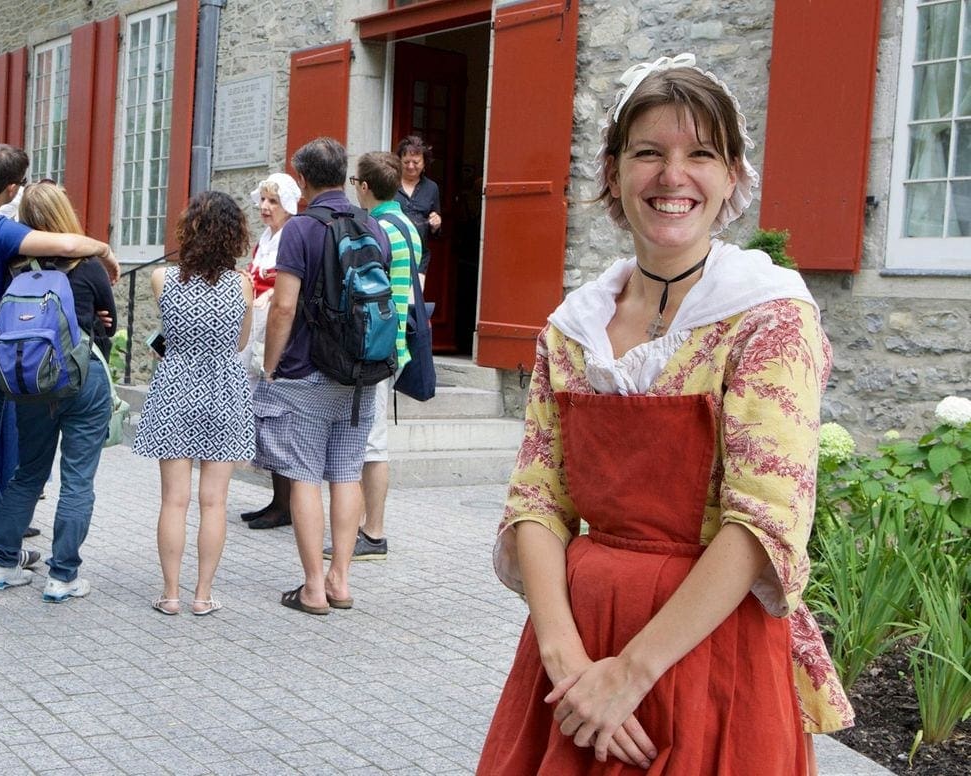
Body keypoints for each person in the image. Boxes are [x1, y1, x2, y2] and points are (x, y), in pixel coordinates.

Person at [477, 54, 852, 775]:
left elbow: (764, 522)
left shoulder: (767, 319)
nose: (672, 176)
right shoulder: (573, 327)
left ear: (732, 177)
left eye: (700, 155)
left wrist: (630, 674)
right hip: (576, 650)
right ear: (613, 174)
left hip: (704, 647)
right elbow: (536, 498)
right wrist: (567, 663)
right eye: (648, 152)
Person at [0, 143, 119, 589]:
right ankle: (63, 576)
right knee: (75, 478)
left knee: (24, 473)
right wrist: (104, 256)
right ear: (10, 187)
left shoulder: (14, 264)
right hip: (77, 378)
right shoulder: (80, 261)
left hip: (28, 378)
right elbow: (107, 325)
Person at [254, 136, 391, 615]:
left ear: (305, 180)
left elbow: (283, 306)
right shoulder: (371, 224)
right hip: (359, 373)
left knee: (306, 476)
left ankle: (312, 587)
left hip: (306, 371)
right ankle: (341, 580)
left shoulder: (301, 230)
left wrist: (269, 368)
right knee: (347, 473)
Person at [132, 191, 254, 616]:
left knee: (174, 501)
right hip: (223, 389)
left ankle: (170, 594)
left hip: (174, 388)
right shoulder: (242, 284)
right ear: (234, 235)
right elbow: (239, 342)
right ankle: (203, 595)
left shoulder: (162, 278)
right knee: (214, 501)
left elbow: (164, 340)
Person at [322, 151, 420, 561]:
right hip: (397, 341)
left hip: (377, 344)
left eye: (353, 182)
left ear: (364, 187)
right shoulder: (408, 225)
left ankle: (372, 533)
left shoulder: (375, 227)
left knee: (372, 446)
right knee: (371, 442)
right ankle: (365, 527)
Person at [237, 172, 302, 531]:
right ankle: (278, 500)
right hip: (259, 327)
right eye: (263, 200)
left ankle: (286, 504)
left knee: (278, 419)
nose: (264, 207)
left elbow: (285, 285)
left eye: (272, 201)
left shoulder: (291, 236)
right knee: (264, 416)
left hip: (277, 333)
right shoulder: (268, 237)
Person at [394, 135, 440, 286]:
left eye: (416, 162)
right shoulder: (390, 184)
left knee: (414, 304)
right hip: (393, 254)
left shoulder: (432, 188)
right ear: (399, 162)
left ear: (424, 163)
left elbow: (436, 227)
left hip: (419, 256)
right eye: (406, 162)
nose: (411, 166)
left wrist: (436, 223)